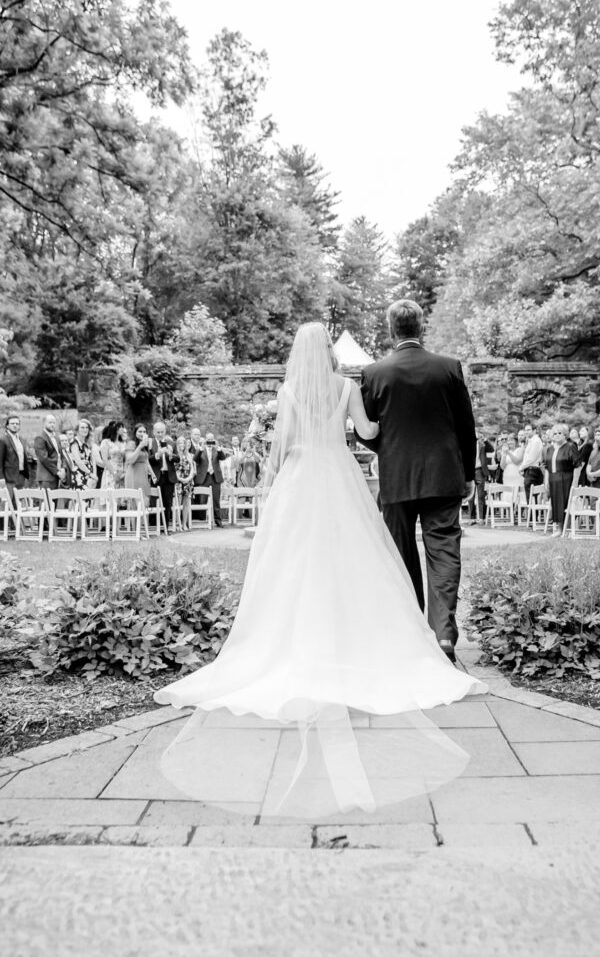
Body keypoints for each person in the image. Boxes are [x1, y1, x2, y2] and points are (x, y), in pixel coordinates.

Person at [155, 321, 486, 820]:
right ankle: (381, 637)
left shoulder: (287, 391)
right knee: (355, 558)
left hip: (301, 477)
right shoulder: (348, 386)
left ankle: (296, 640)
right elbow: (369, 431)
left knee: (295, 563)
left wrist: (277, 471)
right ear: (326, 352)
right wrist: (382, 424)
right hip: (338, 473)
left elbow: (284, 443)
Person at [358, 299, 476, 662]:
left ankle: (412, 632)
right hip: (444, 475)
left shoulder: (375, 373)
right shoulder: (449, 368)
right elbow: (466, 428)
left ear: (392, 329)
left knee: (400, 552)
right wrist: (468, 474)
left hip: (397, 478)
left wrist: (388, 447)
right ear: (421, 327)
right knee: (443, 551)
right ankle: (443, 633)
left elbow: (364, 430)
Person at [541, 423, 581, 536]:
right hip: (553, 479)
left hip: (566, 478)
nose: (557, 435)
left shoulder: (570, 447)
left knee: (566, 503)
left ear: (565, 435)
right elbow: (547, 467)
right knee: (556, 504)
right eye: (555, 433)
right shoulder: (549, 449)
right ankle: (559, 529)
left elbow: (577, 466)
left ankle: (567, 529)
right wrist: (546, 481)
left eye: (560, 433)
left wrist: (575, 484)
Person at [193, 432, 227, 527]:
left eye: (212, 439)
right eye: (208, 439)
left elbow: (223, 458)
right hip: (204, 477)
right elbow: (195, 459)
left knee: (216, 499)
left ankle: (218, 520)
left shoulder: (217, 449)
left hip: (215, 477)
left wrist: (218, 448)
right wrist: (201, 447)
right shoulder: (201, 449)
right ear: (205, 439)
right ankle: (202, 519)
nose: (210, 441)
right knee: (202, 499)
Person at [149, 421, 178, 529]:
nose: (160, 434)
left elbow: (178, 459)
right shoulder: (150, 443)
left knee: (167, 502)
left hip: (168, 476)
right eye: (158, 432)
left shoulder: (172, 443)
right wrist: (158, 454)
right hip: (156, 476)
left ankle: (165, 526)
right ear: (154, 432)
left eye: (162, 432)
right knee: (154, 501)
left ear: (165, 431)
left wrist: (171, 455)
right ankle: (153, 526)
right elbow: (148, 459)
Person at [0, 415, 30, 502]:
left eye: (17, 423)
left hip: (21, 476)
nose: (15, 425)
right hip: (9, 478)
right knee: (7, 505)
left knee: (19, 505)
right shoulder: (3, 440)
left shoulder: (21, 439)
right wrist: (1, 478)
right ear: (7, 426)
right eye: (12, 423)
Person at [34, 414, 65, 492]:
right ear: (44, 423)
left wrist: (63, 468)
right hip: (46, 477)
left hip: (57, 476)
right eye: (50, 422)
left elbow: (61, 454)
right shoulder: (40, 438)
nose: (52, 425)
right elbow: (44, 458)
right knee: (47, 502)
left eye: (54, 423)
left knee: (54, 502)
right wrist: (57, 471)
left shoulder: (56, 437)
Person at [124, 424, 155, 502]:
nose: (142, 433)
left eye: (144, 432)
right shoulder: (131, 443)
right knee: (136, 500)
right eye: (140, 431)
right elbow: (130, 460)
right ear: (135, 433)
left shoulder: (144, 446)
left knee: (145, 501)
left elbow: (146, 461)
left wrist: (153, 474)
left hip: (143, 476)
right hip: (134, 474)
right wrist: (139, 447)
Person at [174, 434, 196, 530]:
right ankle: (177, 524)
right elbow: (174, 470)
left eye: (183, 442)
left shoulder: (189, 455)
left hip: (188, 481)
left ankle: (184, 524)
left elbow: (192, 469)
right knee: (178, 503)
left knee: (186, 504)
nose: (182, 444)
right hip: (178, 481)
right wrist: (181, 479)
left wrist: (188, 478)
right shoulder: (175, 456)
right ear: (177, 444)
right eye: (180, 442)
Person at [519, 422, 544, 502]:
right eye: (525, 430)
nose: (526, 432)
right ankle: (532, 514)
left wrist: (521, 468)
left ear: (534, 430)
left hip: (533, 471)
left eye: (529, 430)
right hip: (529, 470)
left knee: (531, 497)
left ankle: (532, 514)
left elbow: (531, 458)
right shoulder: (531, 441)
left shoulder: (536, 441)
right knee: (530, 497)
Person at [99, 421, 127, 490]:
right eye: (119, 427)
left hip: (122, 473)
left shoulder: (123, 443)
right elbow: (105, 459)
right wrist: (114, 473)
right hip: (110, 471)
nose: (122, 429)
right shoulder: (106, 442)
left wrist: (125, 472)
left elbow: (126, 459)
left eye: (122, 427)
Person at [70, 419, 96, 489]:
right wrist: (90, 473)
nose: (85, 430)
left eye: (87, 427)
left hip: (89, 475)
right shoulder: (74, 442)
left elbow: (93, 460)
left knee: (90, 497)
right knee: (81, 498)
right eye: (82, 427)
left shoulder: (88, 443)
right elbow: (78, 461)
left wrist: (94, 475)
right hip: (79, 474)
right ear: (77, 430)